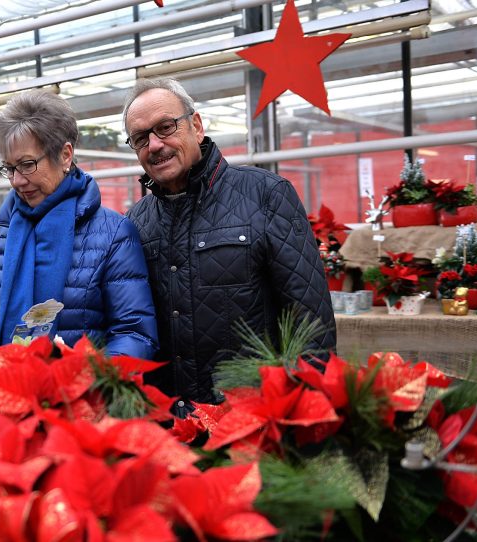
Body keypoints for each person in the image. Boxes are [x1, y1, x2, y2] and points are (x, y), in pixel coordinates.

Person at [122, 77, 336, 413]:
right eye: (140, 138)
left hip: (250, 420)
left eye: (165, 127)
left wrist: (304, 412)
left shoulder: (266, 195)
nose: (154, 145)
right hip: (169, 426)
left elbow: (310, 321)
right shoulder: (136, 222)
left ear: (196, 125)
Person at [0, 90, 158, 365]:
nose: (16, 181)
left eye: (27, 165)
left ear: (65, 155)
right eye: (9, 168)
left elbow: (133, 333)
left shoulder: (112, 234)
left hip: (78, 401)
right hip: (1, 398)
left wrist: (84, 387)